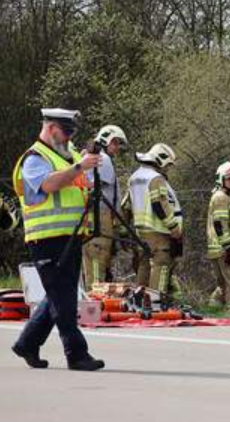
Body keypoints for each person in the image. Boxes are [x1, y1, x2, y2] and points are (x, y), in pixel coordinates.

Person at [9, 108, 105, 371]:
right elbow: (48, 185)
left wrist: (84, 164)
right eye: (66, 131)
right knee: (63, 299)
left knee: (59, 295)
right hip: (46, 239)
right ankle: (77, 354)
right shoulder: (35, 157)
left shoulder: (68, 154)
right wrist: (79, 167)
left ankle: (27, 343)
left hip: (70, 236)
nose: (69, 137)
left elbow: (79, 180)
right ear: (51, 128)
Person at [126, 143, 182, 293]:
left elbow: (125, 206)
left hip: (140, 231)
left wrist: (123, 230)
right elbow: (160, 205)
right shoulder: (156, 178)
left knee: (144, 265)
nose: (167, 168)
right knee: (161, 264)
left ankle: (139, 301)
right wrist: (174, 228)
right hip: (158, 231)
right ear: (161, 159)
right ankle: (156, 302)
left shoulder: (134, 177)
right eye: (167, 165)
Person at [82, 124, 127, 289]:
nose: (117, 148)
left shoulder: (92, 157)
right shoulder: (103, 159)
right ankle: (94, 306)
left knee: (100, 264)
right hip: (99, 220)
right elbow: (96, 190)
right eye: (114, 143)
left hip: (98, 219)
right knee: (97, 265)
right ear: (105, 140)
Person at [206, 162, 230, 308]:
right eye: (229, 178)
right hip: (224, 248)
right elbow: (219, 223)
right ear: (221, 179)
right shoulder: (221, 198)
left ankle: (213, 307)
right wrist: (229, 248)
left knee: (222, 283)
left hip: (217, 248)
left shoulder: (222, 197)